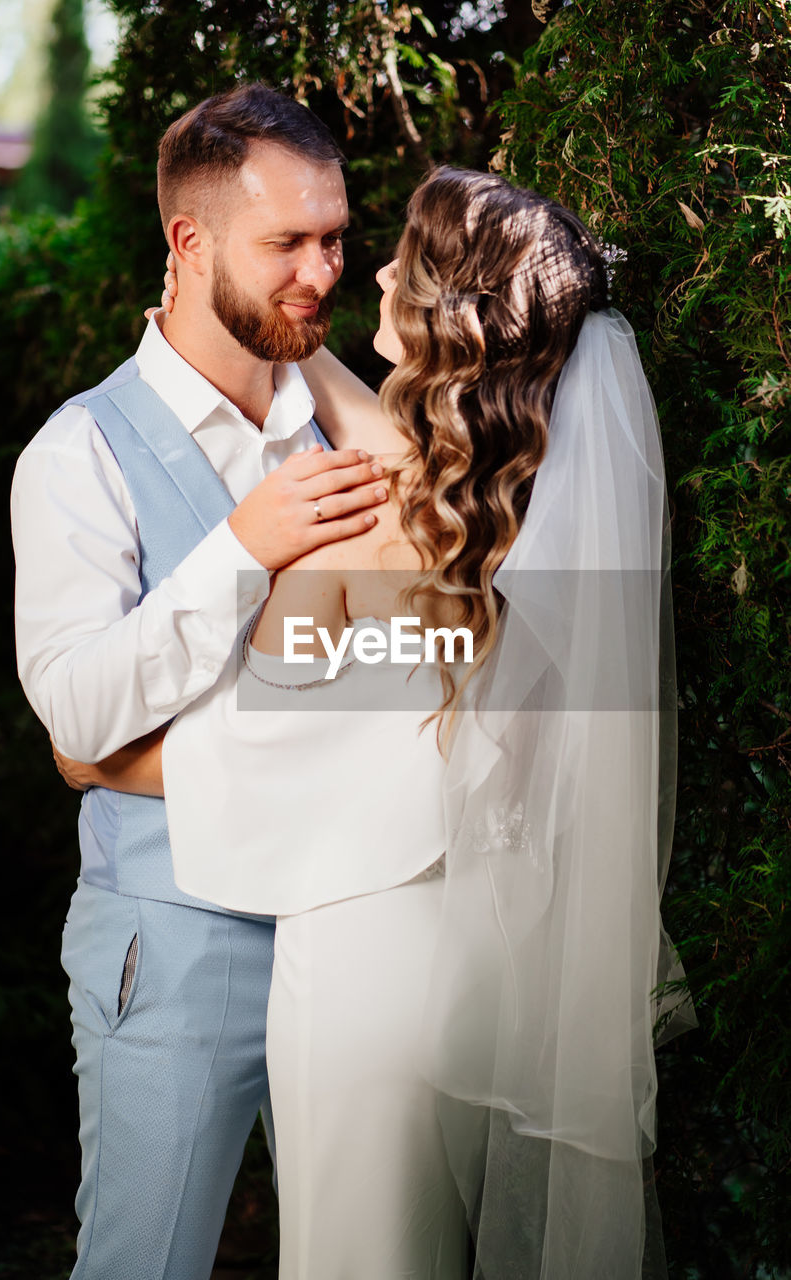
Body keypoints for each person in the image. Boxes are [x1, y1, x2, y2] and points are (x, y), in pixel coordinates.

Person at [61, 166, 688, 1277]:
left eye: (406, 258)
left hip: (361, 965)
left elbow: (268, 742)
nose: (378, 271)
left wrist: (102, 759)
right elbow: (384, 452)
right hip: (480, 957)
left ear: (451, 317)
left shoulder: (359, 538)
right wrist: (287, 341)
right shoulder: (517, 513)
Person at [11, 84, 395, 1280]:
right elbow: (76, 719)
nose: (323, 272)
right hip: (175, 942)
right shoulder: (78, 454)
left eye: (333, 236)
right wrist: (243, 546)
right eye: (286, 243)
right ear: (188, 240)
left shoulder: (345, 426)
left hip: (362, 930)